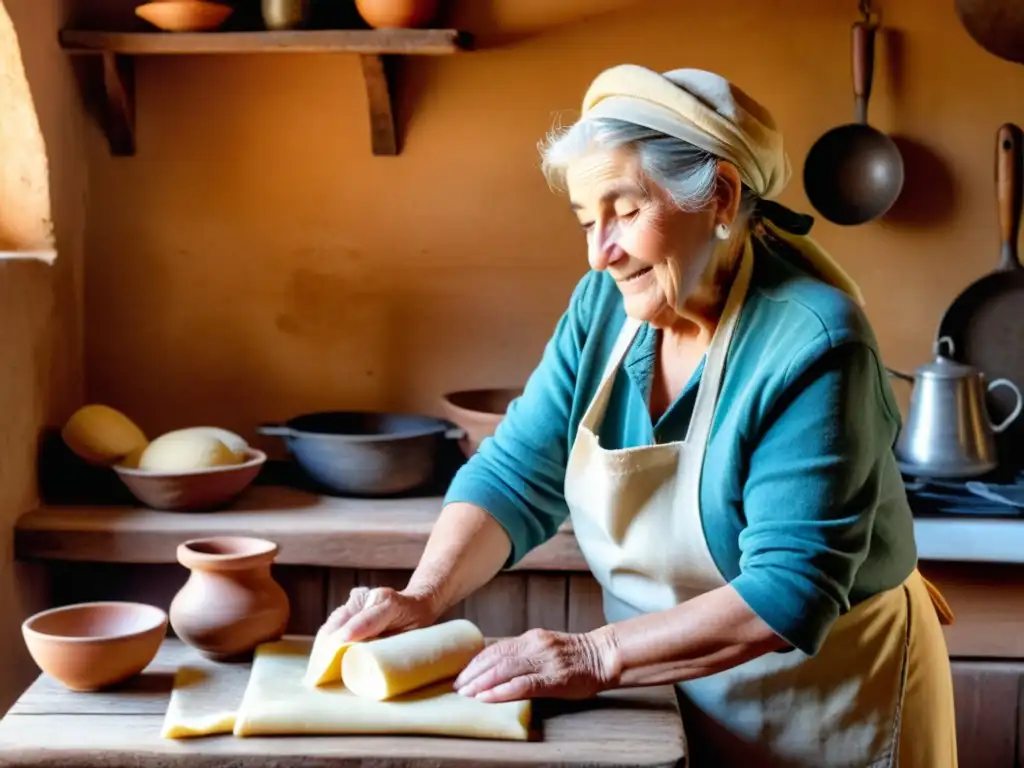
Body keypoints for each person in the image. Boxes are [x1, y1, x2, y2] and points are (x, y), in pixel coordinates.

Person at [316, 64, 958, 766]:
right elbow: (515, 471)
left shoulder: (813, 341)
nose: (600, 253)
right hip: (664, 692)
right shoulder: (603, 308)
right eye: (588, 220)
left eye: (623, 211)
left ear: (718, 195)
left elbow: (789, 591)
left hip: (828, 704)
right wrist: (423, 597)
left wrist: (596, 654)